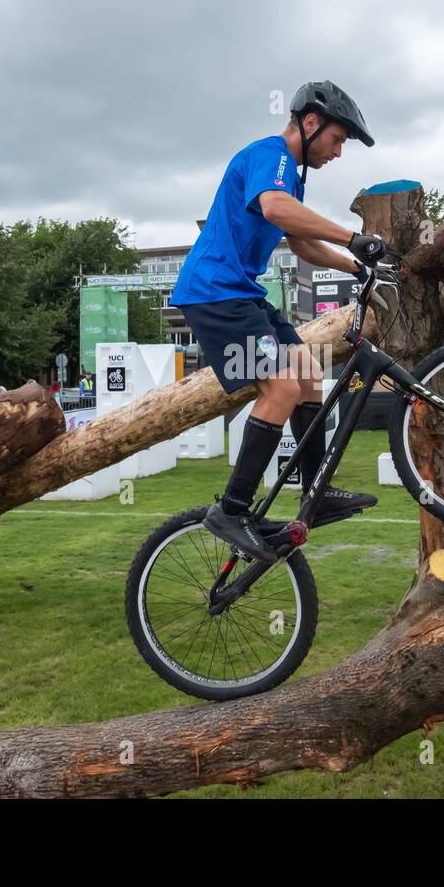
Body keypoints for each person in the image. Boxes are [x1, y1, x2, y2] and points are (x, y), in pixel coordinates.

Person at [167, 79, 379, 560]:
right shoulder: (273, 156)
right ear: (310, 123)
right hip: (214, 293)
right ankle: (233, 510)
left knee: (307, 373)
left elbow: (300, 242)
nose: (339, 151)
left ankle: (314, 494)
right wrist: (353, 238)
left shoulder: (292, 175)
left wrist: (357, 265)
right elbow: (276, 208)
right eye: (337, 138)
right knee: (283, 386)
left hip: (241, 293)